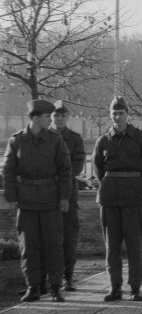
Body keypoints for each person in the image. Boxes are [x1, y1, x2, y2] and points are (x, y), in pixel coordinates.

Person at [3, 100, 71, 303]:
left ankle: (56, 287)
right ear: (35, 118)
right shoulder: (17, 141)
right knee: (29, 246)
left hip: (50, 201)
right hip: (26, 202)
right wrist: (12, 198)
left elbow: (65, 170)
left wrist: (64, 197)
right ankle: (32, 287)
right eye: (45, 116)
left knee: (53, 245)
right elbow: (8, 170)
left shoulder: (55, 140)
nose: (50, 119)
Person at [92, 96, 142, 302]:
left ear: (128, 115)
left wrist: (136, 185)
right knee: (112, 245)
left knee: (134, 245)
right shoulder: (103, 140)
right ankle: (115, 287)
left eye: (121, 113)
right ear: (110, 115)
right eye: (114, 113)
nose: (118, 117)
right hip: (110, 199)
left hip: (134, 198)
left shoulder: (141, 138)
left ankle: (135, 287)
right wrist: (112, 184)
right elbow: (98, 170)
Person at [50, 100, 86, 292]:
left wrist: (60, 176)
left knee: (69, 235)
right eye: (56, 115)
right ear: (51, 117)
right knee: (45, 235)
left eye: (63, 115)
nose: (60, 119)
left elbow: (78, 165)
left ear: (67, 117)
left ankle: (68, 276)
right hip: (46, 192)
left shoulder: (74, 138)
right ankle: (44, 278)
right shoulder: (44, 136)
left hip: (68, 193)